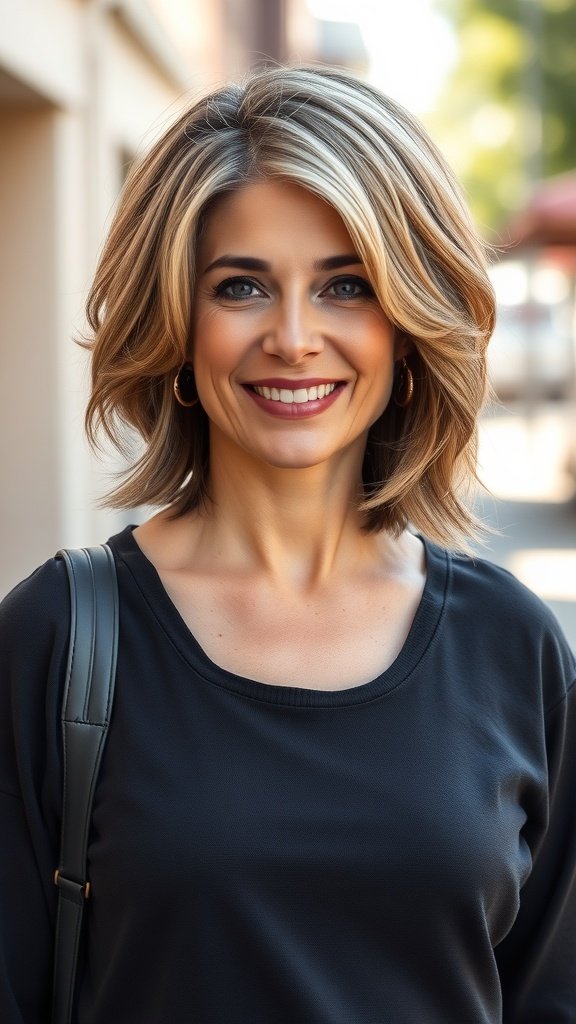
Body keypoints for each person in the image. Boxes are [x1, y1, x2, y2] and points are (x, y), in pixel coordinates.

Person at [0, 63, 574, 1024]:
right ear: (180, 322)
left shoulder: (510, 644)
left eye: (346, 285)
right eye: (242, 287)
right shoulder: (59, 639)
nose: (295, 337)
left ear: (407, 320)